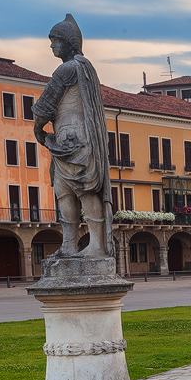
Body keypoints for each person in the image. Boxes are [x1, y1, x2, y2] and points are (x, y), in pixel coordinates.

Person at [32, 14, 111, 259]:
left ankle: (92, 245)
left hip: (69, 137)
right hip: (77, 138)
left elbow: (46, 104)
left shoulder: (68, 68)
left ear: (69, 42)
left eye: (55, 40)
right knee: (68, 189)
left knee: (79, 189)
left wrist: (38, 129)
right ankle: (72, 245)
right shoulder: (86, 69)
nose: (52, 45)